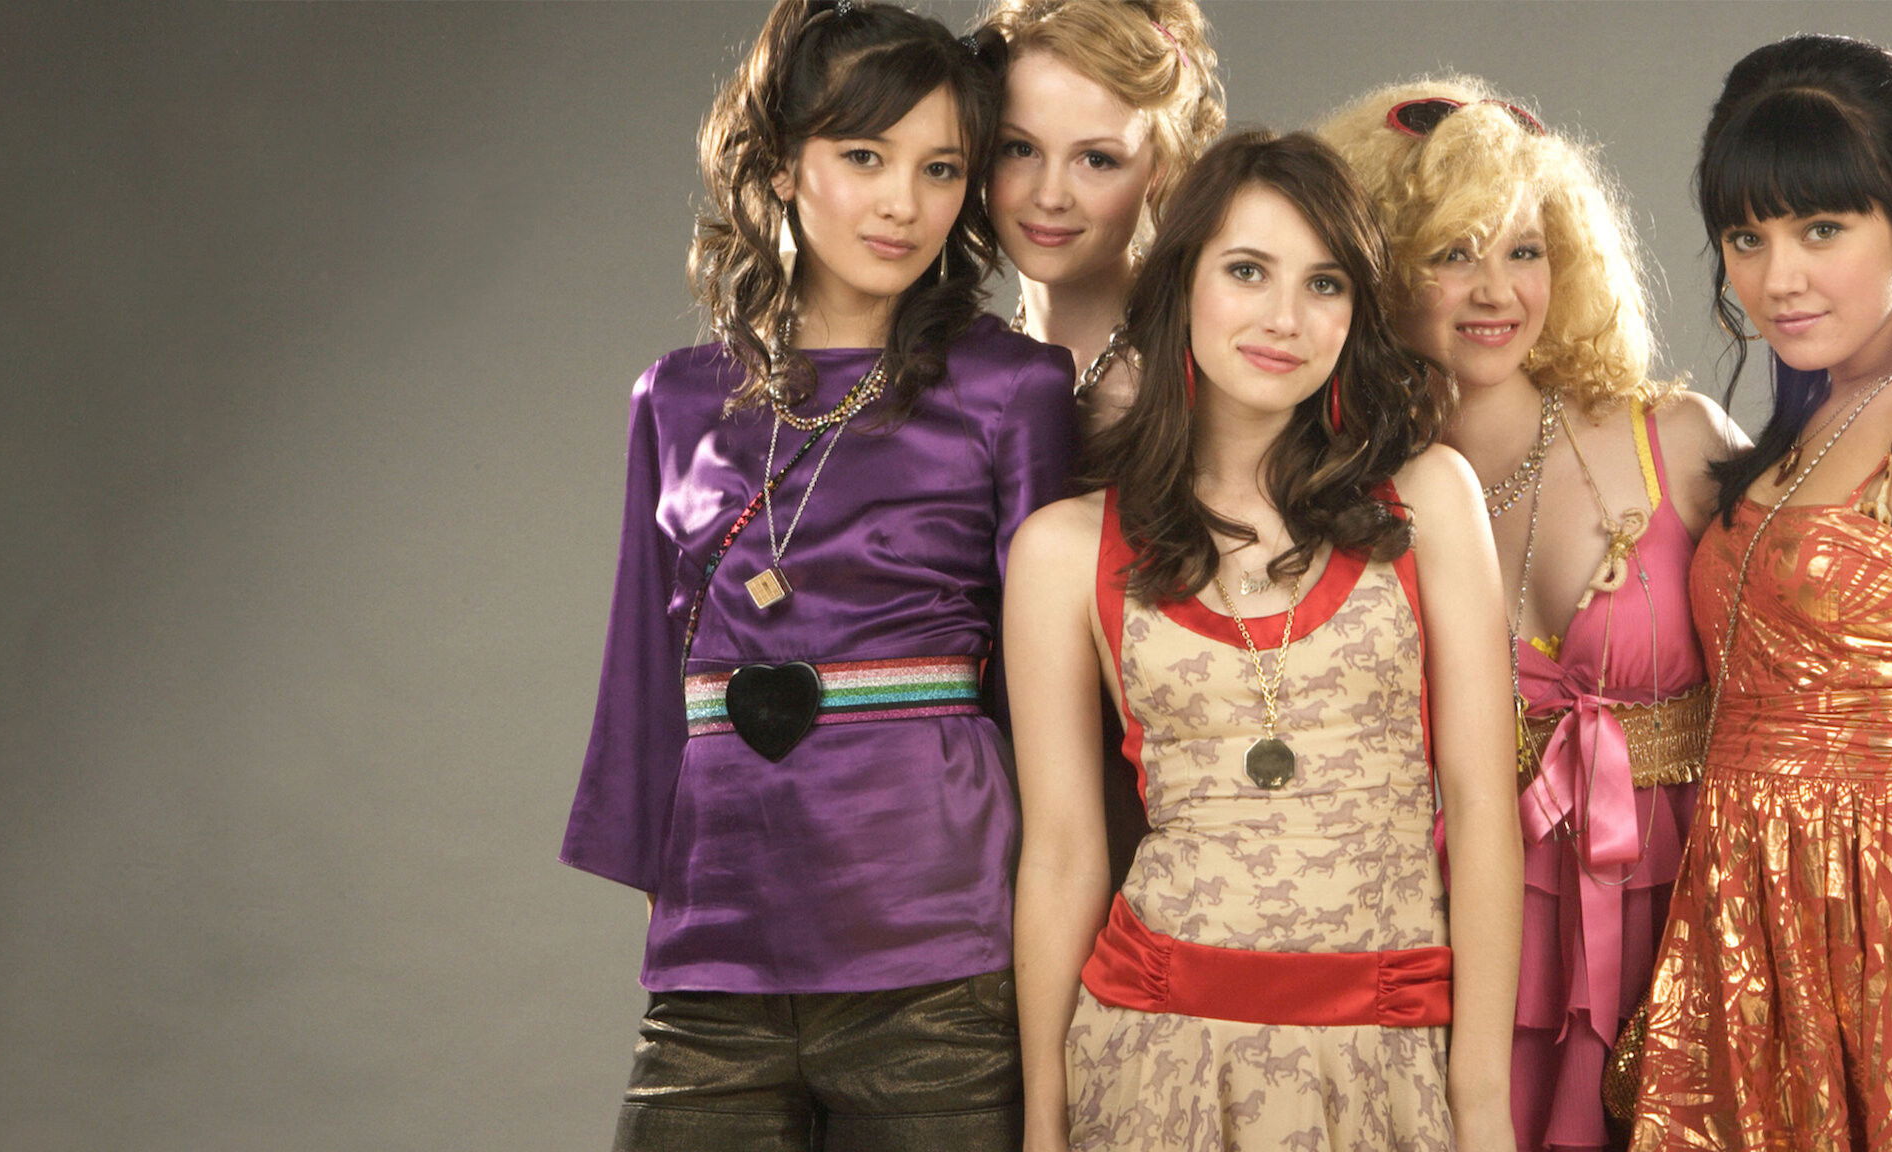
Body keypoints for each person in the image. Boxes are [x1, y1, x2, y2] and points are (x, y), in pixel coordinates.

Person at [559, 3, 1075, 1149]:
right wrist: (688, 928)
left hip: (940, 973)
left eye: (940, 168)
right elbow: (643, 690)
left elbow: (1046, 713)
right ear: (783, 165)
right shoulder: (676, 398)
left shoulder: (1014, 391)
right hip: (714, 977)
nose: (903, 204)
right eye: (863, 156)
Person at [1005, 129, 1521, 1152]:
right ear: (1180, 285)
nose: (1285, 317)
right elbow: (1062, 857)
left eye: (1324, 283)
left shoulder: (1428, 497)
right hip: (1153, 1062)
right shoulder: (1063, 550)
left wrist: (1483, 1103)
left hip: (1387, 1055)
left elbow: (1478, 807)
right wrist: (1042, 1124)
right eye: (1247, 271)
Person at [1319, 79, 1741, 1151]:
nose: (1495, 290)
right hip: (1472, 937)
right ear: (1376, 269)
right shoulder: (1349, 501)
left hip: (1695, 914)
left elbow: (1854, 632)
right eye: (1450, 254)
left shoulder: (1676, 438)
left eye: (1522, 250)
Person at [1633, 33, 1892, 1148]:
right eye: (1746, 237)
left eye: (1822, 229)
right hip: (1768, 934)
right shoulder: (1824, 407)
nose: (1776, 279)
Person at [984, 0, 1223, 433]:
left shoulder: (1203, 381)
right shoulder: (965, 366)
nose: (1050, 196)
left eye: (1096, 159)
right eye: (1020, 149)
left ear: (1158, 171)